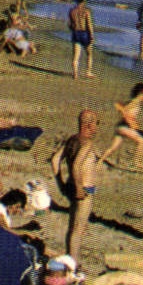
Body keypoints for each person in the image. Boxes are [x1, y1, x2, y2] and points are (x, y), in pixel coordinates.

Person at [52, 108, 100, 266]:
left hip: (72, 186)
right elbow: (76, 166)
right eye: (96, 123)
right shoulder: (87, 143)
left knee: (73, 227)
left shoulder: (71, 140)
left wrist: (61, 184)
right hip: (83, 188)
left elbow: (55, 160)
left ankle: (70, 259)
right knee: (78, 229)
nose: (97, 127)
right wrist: (79, 188)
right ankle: (72, 265)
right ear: (88, 124)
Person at [98, 83, 143, 173]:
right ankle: (136, 162)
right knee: (142, 141)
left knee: (113, 148)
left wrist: (132, 122)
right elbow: (120, 107)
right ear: (140, 94)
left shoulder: (136, 102)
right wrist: (129, 121)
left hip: (121, 127)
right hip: (124, 127)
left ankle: (99, 162)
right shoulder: (135, 102)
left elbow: (126, 111)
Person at [67, 0, 95, 80]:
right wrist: (91, 35)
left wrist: (73, 29)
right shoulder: (86, 11)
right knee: (89, 54)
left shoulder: (72, 11)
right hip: (84, 33)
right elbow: (89, 24)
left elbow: (69, 24)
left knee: (76, 55)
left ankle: (75, 73)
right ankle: (88, 72)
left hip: (76, 32)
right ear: (84, 0)